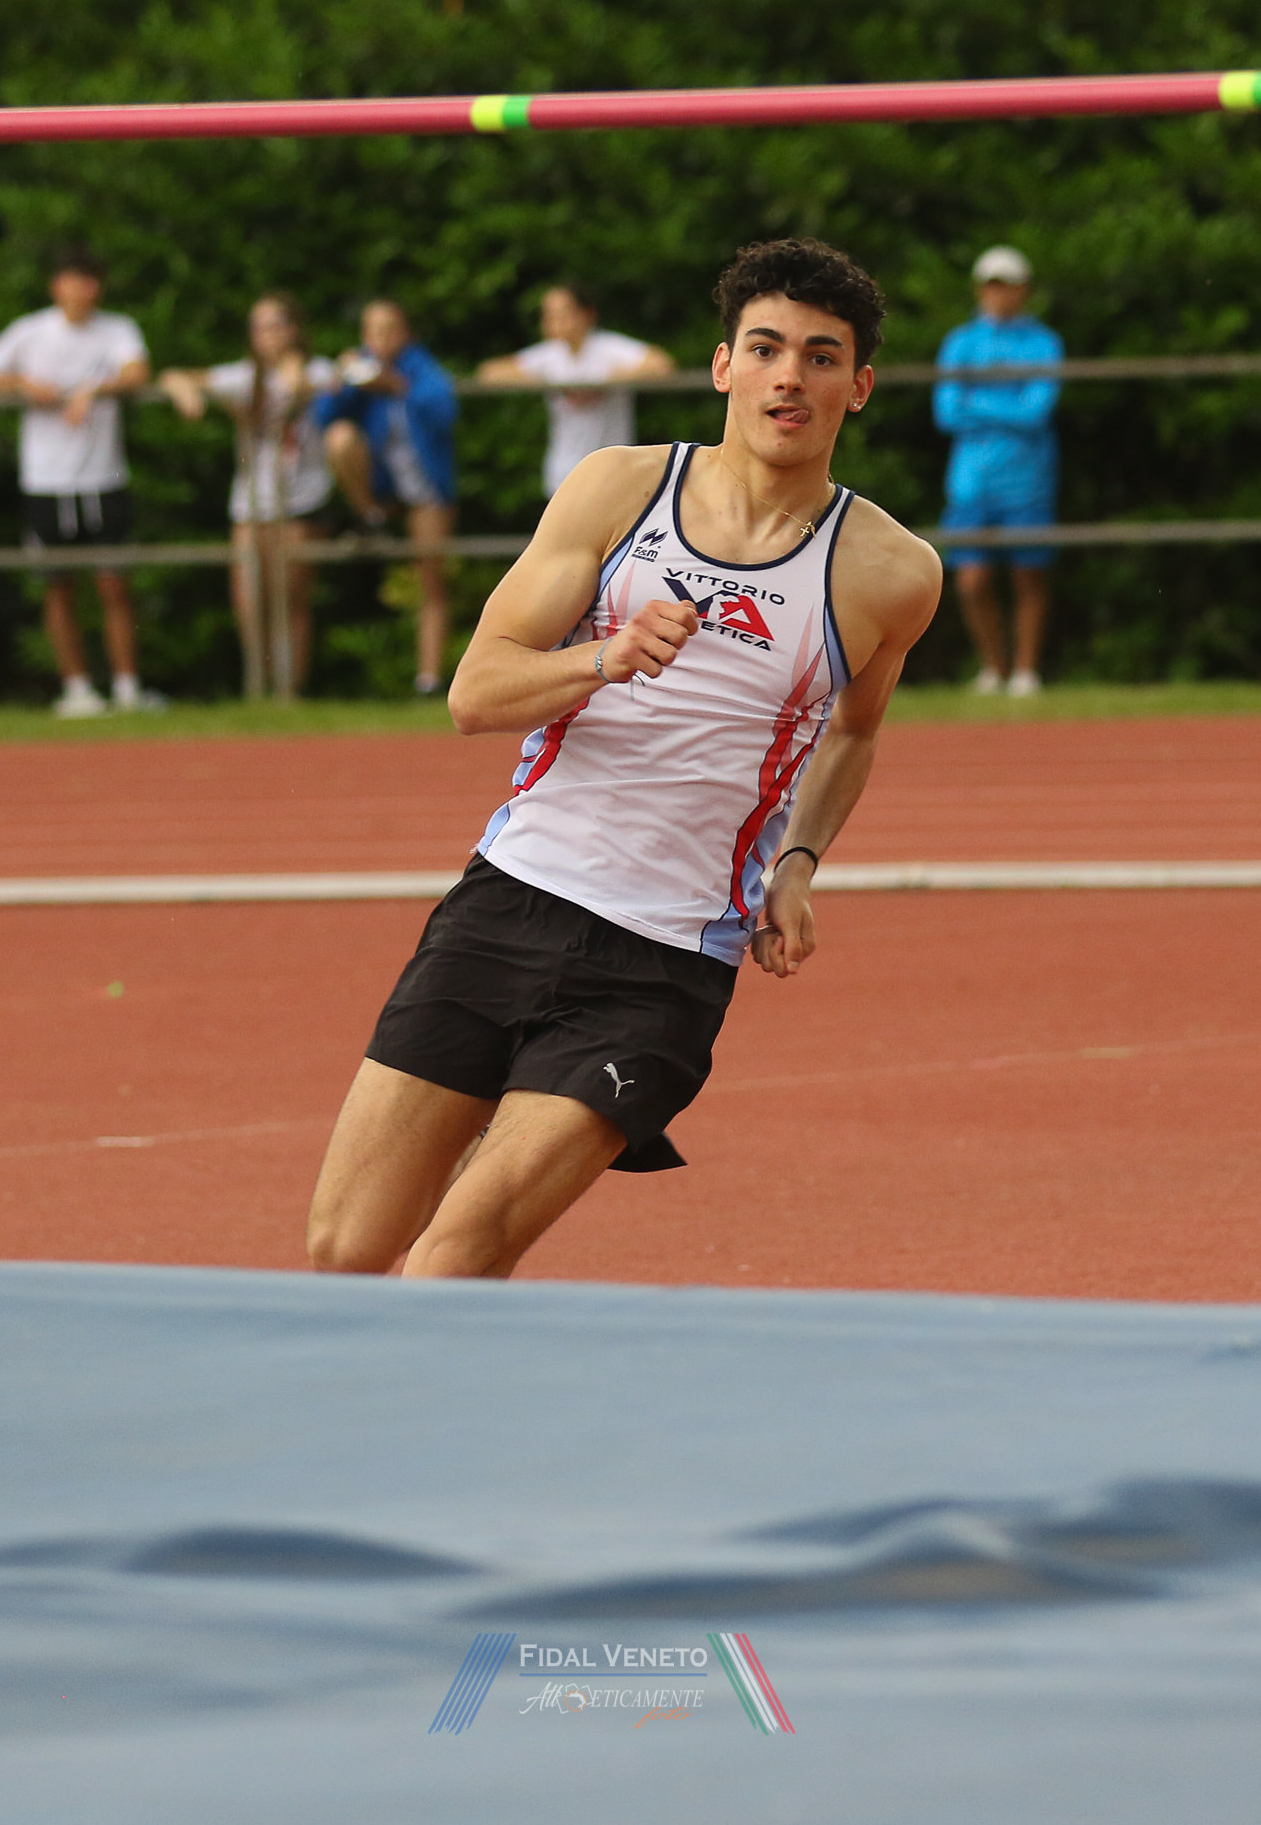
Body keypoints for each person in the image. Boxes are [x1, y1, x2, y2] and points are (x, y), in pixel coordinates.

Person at [303, 237, 941, 1281]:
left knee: (453, 1257)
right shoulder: (618, 489)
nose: (790, 376)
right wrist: (605, 656)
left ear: (858, 387)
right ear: (723, 366)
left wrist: (796, 863)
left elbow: (854, 730)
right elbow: (475, 692)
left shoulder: (891, 572)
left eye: (821, 357)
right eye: (766, 348)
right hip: (509, 902)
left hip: (664, 958)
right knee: (346, 1249)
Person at [0, 246, 159, 716]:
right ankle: (76, 690)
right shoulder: (29, 332)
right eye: (73, 279)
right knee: (58, 588)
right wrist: (22, 386)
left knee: (115, 586)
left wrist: (94, 390)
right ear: (56, 286)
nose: (82, 290)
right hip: (46, 481)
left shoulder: (117, 329)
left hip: (104, 477)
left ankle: (128, 688)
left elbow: (137, 372)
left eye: (90, 280)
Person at [159, 294, 340, 693]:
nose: (266, 335)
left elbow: (315, 385)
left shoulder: (319, 370)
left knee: (291, 599)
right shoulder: (242, 376)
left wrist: (295, 371)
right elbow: (175, 375)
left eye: (275, 325)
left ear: (294, 329)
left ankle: (291, 691)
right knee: (249, 600)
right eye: (259, 327)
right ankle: (258, 688)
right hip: (251, 504)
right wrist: (186, 392)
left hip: (301, 501)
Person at [934, 244, 1063, 696]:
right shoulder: (960, 342)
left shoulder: (1044, 342)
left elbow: (1036, 413)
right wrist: (1008, 401)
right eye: (991, 285)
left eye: (1007, 285)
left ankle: (1026, 672)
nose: (999, 294)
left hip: (1029, 480)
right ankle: (993, 668)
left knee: (1029, 575)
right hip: (970, 482)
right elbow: (946, 413)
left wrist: (978, 399)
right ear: (979, 289)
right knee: (971, 580)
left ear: (1024, 290)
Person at [322, 299, 461, 693]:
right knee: (339, 439)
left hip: (425, 489)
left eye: (389, 329)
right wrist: (339, 383)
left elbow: (445, 414)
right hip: (381, 487)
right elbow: (322, 419)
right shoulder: (357, 369)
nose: (380, 339)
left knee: (431, 579)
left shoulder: (423, 368)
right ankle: (371, 518)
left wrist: (397, 387)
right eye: (372, 331)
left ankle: (429, 680)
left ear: (405, 333)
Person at [476, 282, 674, 496]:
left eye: (563, 313)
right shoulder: (550, 355)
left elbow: (661, 364)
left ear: (586, 314)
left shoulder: (608, 349)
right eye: (548, 315)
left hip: (613, 470)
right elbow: (490, 373)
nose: (554, 321)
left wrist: (603, 382)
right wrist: (545, 381)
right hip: (564, 471)